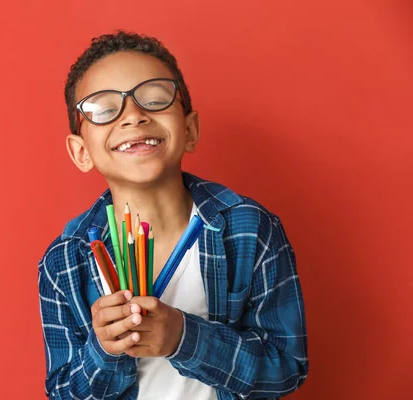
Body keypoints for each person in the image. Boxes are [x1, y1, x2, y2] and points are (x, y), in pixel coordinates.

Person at [37, 31, 308, 400]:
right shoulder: (64, 261)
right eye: (102, 108)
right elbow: (64, 392)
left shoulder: (250, 228)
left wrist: (184, 337)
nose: (133, 116)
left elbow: (286, 369)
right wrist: (104, 351)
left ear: (190, 130)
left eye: (154, 99)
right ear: (81, 152)